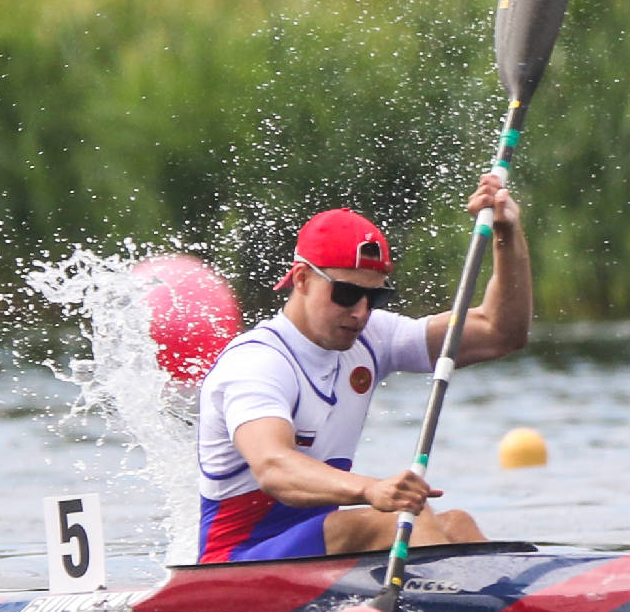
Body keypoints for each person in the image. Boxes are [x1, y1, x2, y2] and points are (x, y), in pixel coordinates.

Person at [194, 174, 531, 563]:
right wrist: (371, 490)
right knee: (398, 522)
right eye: (347, 293)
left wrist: (506, 235)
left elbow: (499, 333)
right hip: (239, 560)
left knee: (456, 523)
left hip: (315, 551)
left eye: (376, 296)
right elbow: (274, 468)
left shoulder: (370, 336)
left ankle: (503, 608)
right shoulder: (259, 361)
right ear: (302, 279)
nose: (361, 312)